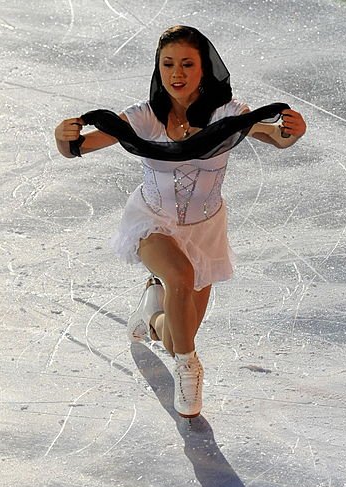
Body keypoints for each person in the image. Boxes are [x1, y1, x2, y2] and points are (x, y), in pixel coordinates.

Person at [54, 25, 306, 417]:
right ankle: (190, 370)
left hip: (205, 229)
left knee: (174, 337)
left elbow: (277, 137)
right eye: (168, 64)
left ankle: (151, 313)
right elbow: (78, 147)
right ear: (159, 68)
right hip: (152, 221)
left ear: (204, 69)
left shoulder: (229, 115)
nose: (177, 73)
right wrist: (62, 137)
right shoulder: (143, 117)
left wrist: (294, 131)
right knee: (180, 279)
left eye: (188, 64)